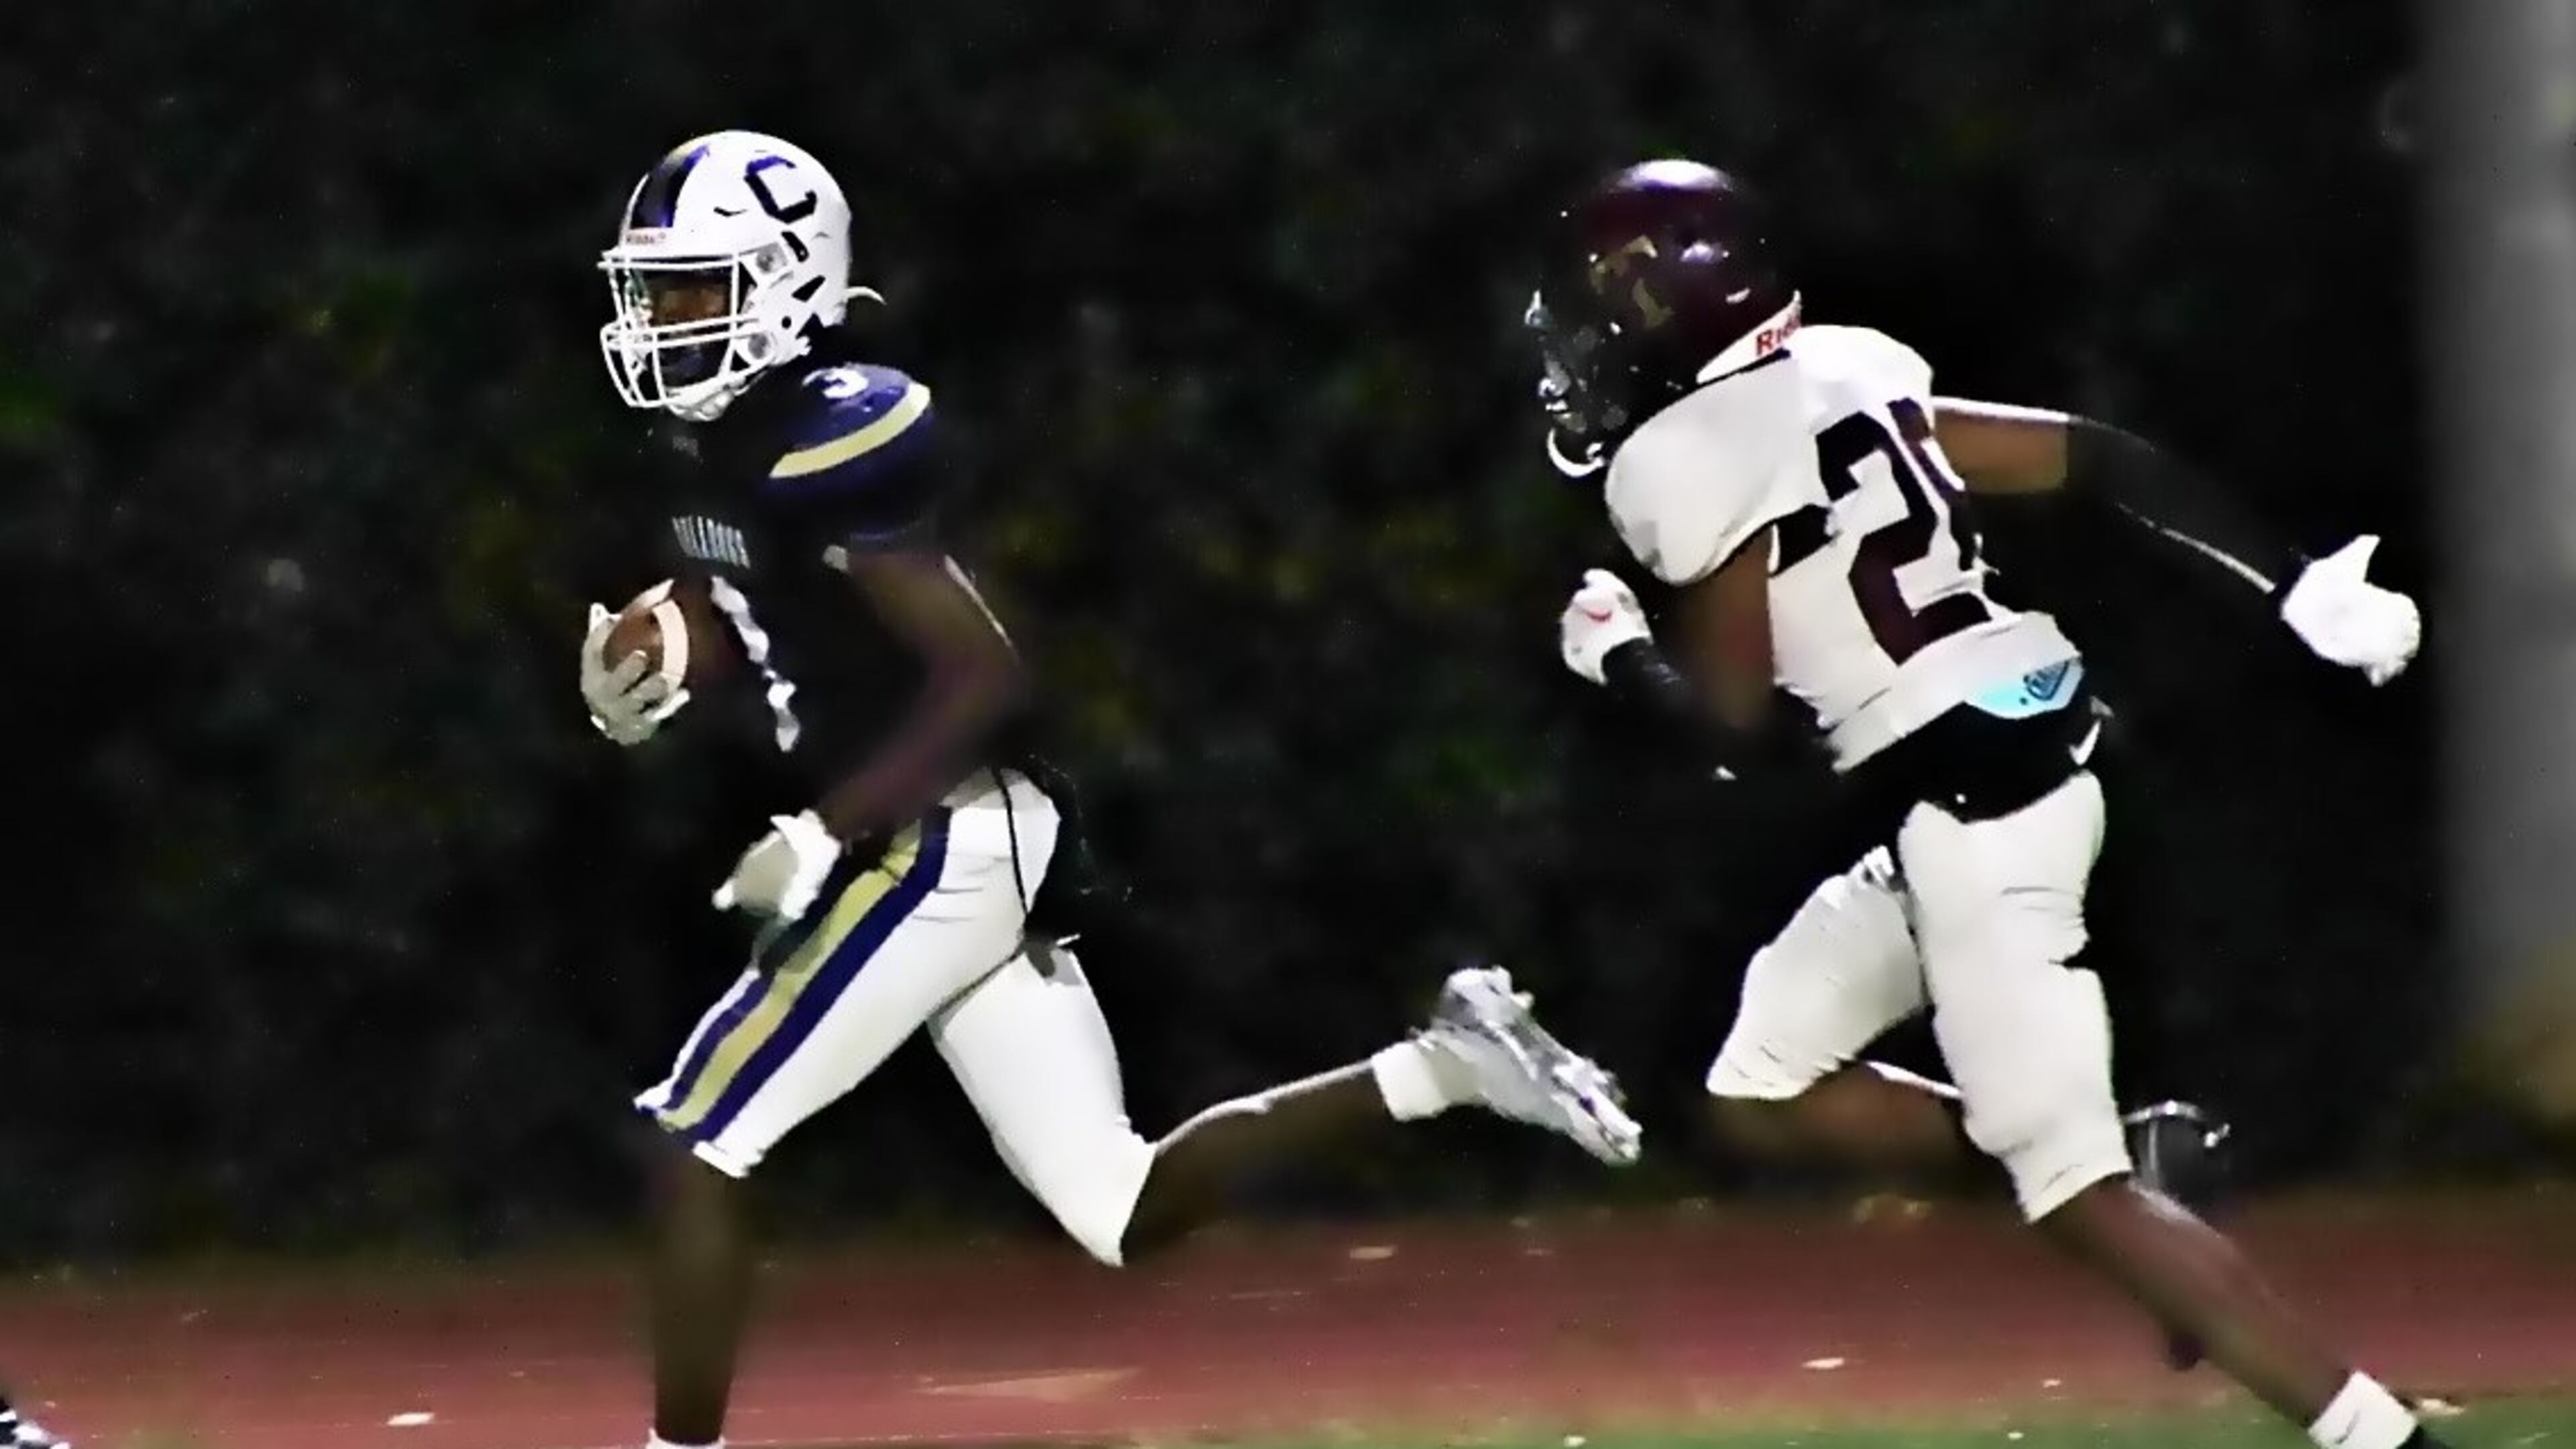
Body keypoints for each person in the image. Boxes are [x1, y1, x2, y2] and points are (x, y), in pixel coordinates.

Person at [579, 130, 1642, 1449]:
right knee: (1119, 1205)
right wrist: (668, 641)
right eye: (658, 290)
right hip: (960, 837)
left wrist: (821, 833)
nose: (665, 321)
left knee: (696, 1142)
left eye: (697, 289)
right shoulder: (721, 446)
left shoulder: (831, 429)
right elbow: (758, 593)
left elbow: (980, 670)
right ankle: (1445, 1069)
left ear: (792, 281)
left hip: (931, 838)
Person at [1531, 159, 2437, 1449]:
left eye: (1607, 294)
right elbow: (2097, 460)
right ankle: (2124, 1151)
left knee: (2078, 1196)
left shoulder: (1684, 458)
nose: (1590, 331)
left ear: (1683, 290)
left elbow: (1732, 731)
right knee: (1753, 1085)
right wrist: (2295, 589)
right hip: (2026, 762)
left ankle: (2386, 1437)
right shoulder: (1853, 366)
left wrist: (1616, 653)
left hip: (1975, 821)